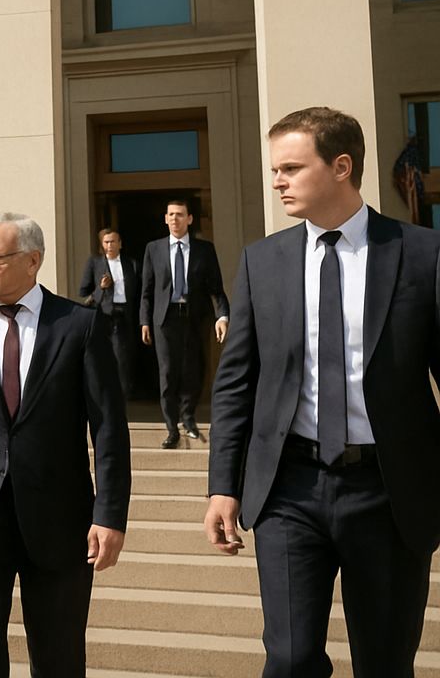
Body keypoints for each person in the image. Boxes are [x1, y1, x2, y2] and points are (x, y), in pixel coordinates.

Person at [205, 107, 440, 678]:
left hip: (388, 494)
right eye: (274, 169)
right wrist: (222, 487)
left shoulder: (422, 254)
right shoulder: (263, 261)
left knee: (385, 662)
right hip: (290, 489)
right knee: (287, 659)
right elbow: (236, 385)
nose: (277, 180)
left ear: (341, 166)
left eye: (290, 167)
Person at [0, 213, 130, 678]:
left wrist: (110, 515)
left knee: (58, 656)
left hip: (60, 522)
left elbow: (110, 432)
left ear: (33, 261)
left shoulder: (80, 325)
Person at [138, 199, 228, 447]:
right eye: (170, 215)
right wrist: (144, 320)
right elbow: (146, 290)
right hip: (164, 319)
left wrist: (222, 316)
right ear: (165, 219)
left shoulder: (204, 250)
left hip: (194, 316)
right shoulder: (153, 249)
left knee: (192, 370)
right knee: (167, 372)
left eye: (179, 215)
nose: (174, 219)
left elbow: (216, 289)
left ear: (189, 219)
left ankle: (188, 417)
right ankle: (171, 427)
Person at [78, 228, 142, 400]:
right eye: (106, 242)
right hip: (103, 316)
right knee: (101, 359)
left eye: (113, 241)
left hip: (124, 317)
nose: (110, 245)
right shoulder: (94, 263)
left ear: (120, 244)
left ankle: (122, 398)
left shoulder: (132, 265)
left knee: (123, 361)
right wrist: (101, 288)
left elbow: (140, 294)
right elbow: (83, 292)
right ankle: (102, 398)